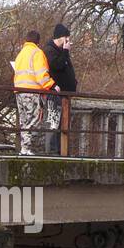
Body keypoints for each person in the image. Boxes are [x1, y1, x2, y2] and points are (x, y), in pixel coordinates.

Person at [12, 29, 58, 155]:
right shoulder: (37, 53)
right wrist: (52, 85)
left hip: (19, 91)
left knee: (24, 121)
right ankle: (26, 148)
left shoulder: (21, 54)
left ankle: (24, 148)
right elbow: (41, 75)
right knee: (35, 121)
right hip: (32, 92)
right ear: (38, 42)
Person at [42, 24, 75, 155]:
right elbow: (57, 66)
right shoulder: (50, 50)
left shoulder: (60, 51)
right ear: (60, 38)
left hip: (64, 95)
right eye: (66, 38)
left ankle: (62, 151)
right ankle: (53, 152)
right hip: (55, 95)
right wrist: (66, 51)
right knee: (54, 122)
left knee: (63, 124)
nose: (68, 41)